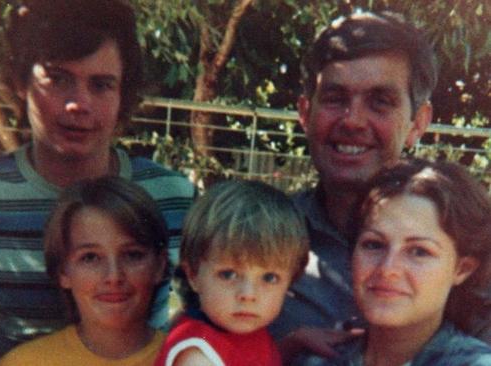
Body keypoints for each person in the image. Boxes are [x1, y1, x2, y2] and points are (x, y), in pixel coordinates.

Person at [0, 0, 195, 359]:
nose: (78, 104)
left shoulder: (173, 197)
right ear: (21, 83)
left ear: (123, 95)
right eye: (57, 79)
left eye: (101, 85)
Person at [268, 11, 472, 356]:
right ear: (305, 113)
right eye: (335, 98)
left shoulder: (467, 248)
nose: (354, 121)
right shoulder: (258, 237)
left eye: (381, 101)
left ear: (417, 124)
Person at [297, 159, 491, 365]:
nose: (387, 269)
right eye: (374, 245)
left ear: (462, 269)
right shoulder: (317, 361)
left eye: (419, 251)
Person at [0, 176, 168, 365]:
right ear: (63, 270)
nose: (114, 276)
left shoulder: (190, 357)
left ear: (159, 265)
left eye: (133, 255)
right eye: (90, 257)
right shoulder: (24, 363)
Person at [155, 180, 309, 366]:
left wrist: (295, 342)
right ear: (193, 276)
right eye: (228, 274)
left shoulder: (252, 333)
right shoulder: (198, 354)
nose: (248, 294)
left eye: (269, 278)